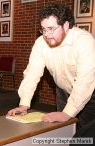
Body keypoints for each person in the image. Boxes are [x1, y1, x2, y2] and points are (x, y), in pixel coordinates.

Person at [7, 3, 95, 131]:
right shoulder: (41, 43)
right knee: (63, 131)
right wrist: (24, 104)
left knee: (86, 135)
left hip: (91, 93)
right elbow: (32, 74)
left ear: (65, 26)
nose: (46, 34)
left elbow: (85, 82)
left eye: (51, 28)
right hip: (63, 91)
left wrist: (67, 113)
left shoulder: (85, 41)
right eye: (43, 29)